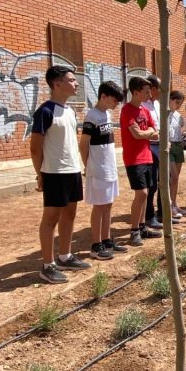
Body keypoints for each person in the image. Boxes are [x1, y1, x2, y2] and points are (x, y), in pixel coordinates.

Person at [30, 66, 91, 284]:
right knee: (51, 219)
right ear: (57, 84)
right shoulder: (45, 111)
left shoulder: (70, 111)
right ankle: (47, 266)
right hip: (54, 172)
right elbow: (35, 148)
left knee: (70, 215)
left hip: (72, 170)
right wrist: (40, 174)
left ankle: (65, 256)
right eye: (72, 80)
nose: (76, 84)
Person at [79, 80, 127, 261]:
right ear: (104, 96)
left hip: (109, 168)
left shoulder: (106, 115)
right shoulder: (92, 116)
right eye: (114, 101)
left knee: (108, 205)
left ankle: (107, 240)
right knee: (99, 207)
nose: (116, 105)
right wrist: (88, 166)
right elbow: (83, 145)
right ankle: (96, 245)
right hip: (97, 170)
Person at [120, 76, 163, 246]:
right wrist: (147, 133)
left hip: (147, 155)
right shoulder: (127, 110)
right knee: (142, 193)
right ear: (136, 92)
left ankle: (143, 227)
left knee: (147, 192)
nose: (149, 94)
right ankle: (134, 230)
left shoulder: (145, 111)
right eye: (146, 92)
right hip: (134, 158)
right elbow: (136, 134)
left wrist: (144, 133)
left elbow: (155, 131)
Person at [142, 75, 179, 227]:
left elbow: (163, 125)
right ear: (152, 88)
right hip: (149, 146)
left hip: (163, 145)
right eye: (159, 87)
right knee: (152, 183)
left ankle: (163, 214)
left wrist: (167, 141)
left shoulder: (158, 104)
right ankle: (149, 217)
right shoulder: (142, 105)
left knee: (166, 180)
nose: (162, 91)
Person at [168, 90, 186, 218]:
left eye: (180, 104)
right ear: (170, 100)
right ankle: (169, 206)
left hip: (178, 146)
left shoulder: (178, 115)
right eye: (176, 102)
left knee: (176, 179)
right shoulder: (163, 114)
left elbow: (181, 129)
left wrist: (183, 138)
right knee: (173, 176)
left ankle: (175, 204)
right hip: (169, 146)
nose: (178, 105)